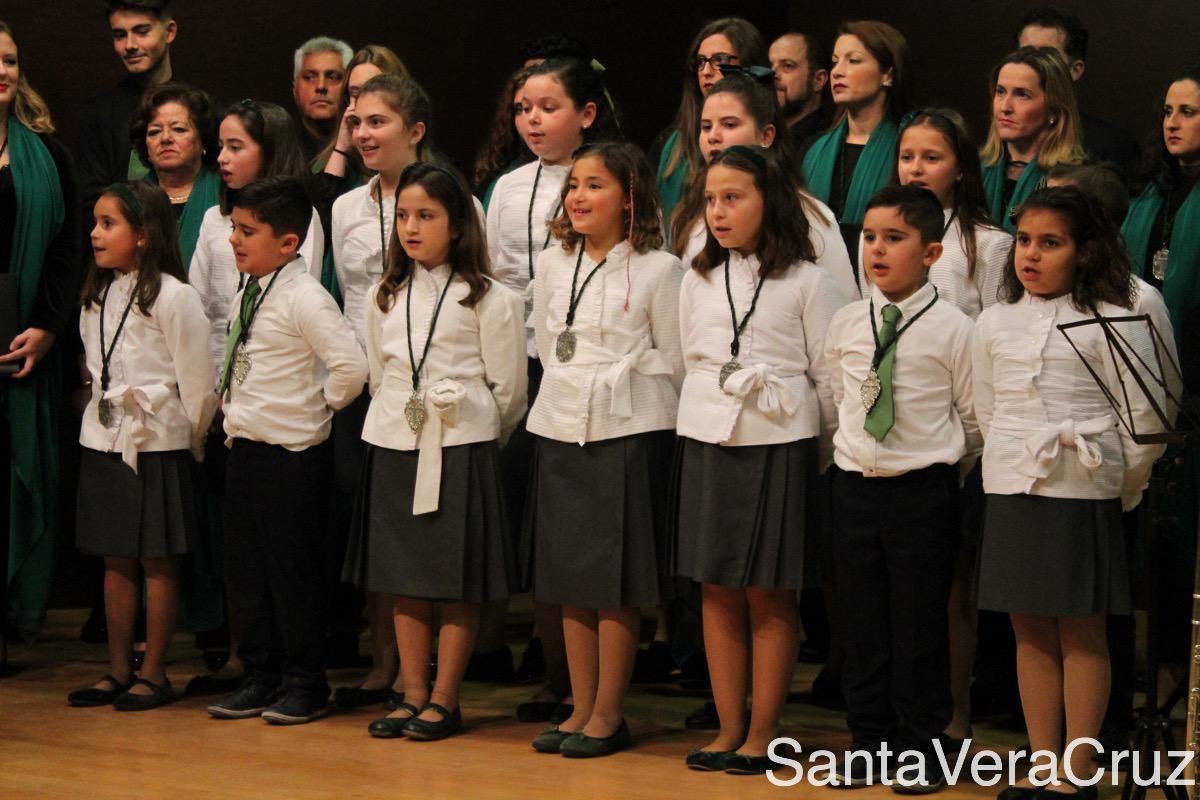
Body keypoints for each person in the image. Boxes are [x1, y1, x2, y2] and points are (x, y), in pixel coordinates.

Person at [974, 186, 1165, 799]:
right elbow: (986, 405)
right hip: (1013, 482)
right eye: (1024, 241)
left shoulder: (1117, 315)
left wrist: (1120, 486)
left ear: (1085, 252)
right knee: (1028, 628)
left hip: (1082, 485)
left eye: (1050, 243)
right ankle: (1042, 761)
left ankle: (1076, 771)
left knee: (1080, 630)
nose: (1030, 255)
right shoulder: (996, 319)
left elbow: (1146, 417)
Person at [343, 162, 526, 740]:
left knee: (454, 577)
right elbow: (378, 372)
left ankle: (445, 696)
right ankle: (411, 691)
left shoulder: (490, 297)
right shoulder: (385, 293)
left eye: (427, 215)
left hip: (461, 445)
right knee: (403, 576)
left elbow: (509, 391)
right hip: (396, 440)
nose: (411, 227)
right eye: (403, 216)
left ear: (458, 224)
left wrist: (470, 434)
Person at [674, 146, 841, 775]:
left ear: (768, 200)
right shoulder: (697, 277)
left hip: (779, 441)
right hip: (709, 439)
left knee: (769, 593)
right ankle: (728, 725)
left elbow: (828, 379)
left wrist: (815, 453)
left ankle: (764, 730)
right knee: (716, 589)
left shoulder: (807, 281)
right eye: (711, 199)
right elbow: (691, 358)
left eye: (733, 197)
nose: (718, 211)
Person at [524, 142, 683, 757]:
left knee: (614, 581)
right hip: (562, 425)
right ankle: (578, 705)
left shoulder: (658, 268)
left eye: (595, 185)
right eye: (574, 186)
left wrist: (623, 378)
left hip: (627, 429)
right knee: (569, 577)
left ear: (630, 197)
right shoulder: (552, 263)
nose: (580, 197)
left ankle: (609, 713)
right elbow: (545, 338)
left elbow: (672, 359)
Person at [824, 185, 981, 790]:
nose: (877, 250)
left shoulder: (954, 329)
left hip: (922, 491)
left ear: (932, 251)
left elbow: (971, 420)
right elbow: (840, 401)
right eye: (869, 237)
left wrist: (934, 469)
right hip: (855, 487)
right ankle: (868, 742)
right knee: (862, 625)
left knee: (919, 625)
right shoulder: (846, 321)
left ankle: (923, 745)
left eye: (894, 238)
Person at [485, 56, 621, 722]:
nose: (532, 120)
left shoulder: (608, 179)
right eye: (522, 109)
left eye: (547, 107)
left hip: (587, 366)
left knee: (580, 524)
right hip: (528, 360)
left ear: (586, 115)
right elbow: (498, 279)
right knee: (541, 521)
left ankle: (590, 679)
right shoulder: (509, 188)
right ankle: (552, 667)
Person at [205, 176, 366, 725]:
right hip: (246, 448)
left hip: (292, 456)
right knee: (247, 573)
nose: (235, 240)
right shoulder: (252, 287)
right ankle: (260, 675)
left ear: (289, 243)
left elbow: (351, 366)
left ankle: (305, 681)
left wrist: (315, 408)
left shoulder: (305, 298)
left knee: (292, 574)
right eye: (234, 228)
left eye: (248, 231)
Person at [65, 181, 216, 711]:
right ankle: (115, 668)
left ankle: (154, 671)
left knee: (157, 559)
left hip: (157, 442)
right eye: (96, 222)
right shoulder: (96, 295)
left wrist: (191, 441)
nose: (95, 234)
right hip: (105, 440)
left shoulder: (175, 297)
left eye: (109, 224)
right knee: (116, 560)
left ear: (145, 236)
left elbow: (198, 383)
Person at [1120, 64, 1200, 724]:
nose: (1172, 122)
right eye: (1168, 110)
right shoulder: (1150, 195)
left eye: (1190, 111)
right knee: (1163, 558)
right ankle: (1166, 694)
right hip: (1150, 395)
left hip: (1197, 391)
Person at [0, 20, 82, 647]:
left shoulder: (48, 154)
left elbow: (65, 252)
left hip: (23, 339)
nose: (2, 72)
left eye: (8, 61)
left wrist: (49, 328)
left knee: (15, 478)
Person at [670, 71, 855, 303]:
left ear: (766, 135)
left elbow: (843, 307)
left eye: (729, 124)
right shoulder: (693, 214)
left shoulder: (809, 215)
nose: (713, 136)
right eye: (706, 127)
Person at [803, 21, 910, 280]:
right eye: (835, 61)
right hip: (816, 279)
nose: (837, 72)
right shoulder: (813, 149)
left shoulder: (905, 150)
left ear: (888, 75)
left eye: (853, 61)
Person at [655, 17, 767, 232]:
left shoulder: (768, 140)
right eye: (701, 61)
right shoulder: (673, 144)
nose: (706, 71)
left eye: (720, 60)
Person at [74, 0, 178, 225]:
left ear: (169, 32)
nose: (129, 45)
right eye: (120, 35)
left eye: (142, 31)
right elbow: (90, 204)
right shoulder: (97, 116)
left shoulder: (201, 109)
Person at [1015, 7, 1140, 181]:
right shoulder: (1003, 136)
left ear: (1075, 70)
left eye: (1047, 55)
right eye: (1026, 53)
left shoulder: (1110, 146)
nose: (1033, 64)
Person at [980, 47, 1085, 232]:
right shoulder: (973, 169)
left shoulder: (1074, 182)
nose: (1005, 107)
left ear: (1054, 108)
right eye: (1000, 92)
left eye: (1022, 95)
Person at [130, 82, 220, 267]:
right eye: (154, 132)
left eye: (179, 129)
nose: (165, 138)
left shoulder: (226, 194)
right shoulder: (129, 200)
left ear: (203, 139)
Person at [768, 32, 830, 163]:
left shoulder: (827, 145)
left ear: (818, 80)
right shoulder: (761, 134)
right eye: (771, 66)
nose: (773, 74)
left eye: (787, 66)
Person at [291, 36, 351, 162]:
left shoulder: (366, 149)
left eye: (333, 77)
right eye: (309, 77)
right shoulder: (280, 153)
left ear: (350, 86)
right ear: (295, 90)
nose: (321, 86)